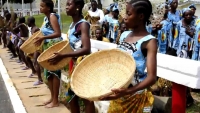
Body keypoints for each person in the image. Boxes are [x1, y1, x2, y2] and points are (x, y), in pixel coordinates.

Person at [99, 0, 157, 112]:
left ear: (141, 16)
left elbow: (152, 78)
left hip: (136, 97)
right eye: (125, 13)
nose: (124, 17)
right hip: (119, 94)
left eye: (129, 14)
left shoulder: (149, 41)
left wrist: (128, 91)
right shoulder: (124, 35)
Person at [48, 0, 95, 112]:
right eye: (66, 5)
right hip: (73, 64)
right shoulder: (72, 25)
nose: (66, 7)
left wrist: (63, 55)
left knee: (86, 97)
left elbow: (86, 48)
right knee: (72, 97)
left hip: (82, 65)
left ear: (77, 6)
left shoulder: (83, 25)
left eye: (69, 5)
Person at [34, 0, 62, 108]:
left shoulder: (52, 16)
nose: (40, 8)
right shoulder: (46, 18)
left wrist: (43, 37)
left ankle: (56, 100)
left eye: (42, 6)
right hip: (47, 46)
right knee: (48, 73)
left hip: (54, 47)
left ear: (48, 8)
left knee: (54, 72)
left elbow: (57, 33)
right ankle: (52, 97)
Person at [27, 16, 43, 86]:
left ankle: (40, 79)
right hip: (34, 47)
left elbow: (38, 39)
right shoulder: (32, 29)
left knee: (35, 61)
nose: (27, 23)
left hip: (38, 47)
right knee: (27, 58)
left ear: (31, 22)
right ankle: (34, 71)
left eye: (28, 21)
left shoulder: (36, 29)